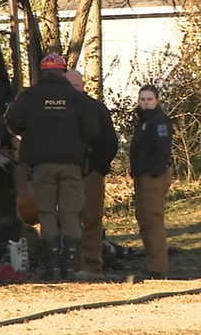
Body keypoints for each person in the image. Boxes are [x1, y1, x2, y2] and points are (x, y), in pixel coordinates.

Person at [5, 53, 100, 280]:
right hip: (71, 166)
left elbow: (13, 121)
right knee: (70, 213)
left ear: (42, 71)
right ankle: (69, 266)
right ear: (63, 72)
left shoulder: (29, 96)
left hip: (41, 166)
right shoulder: (77, 99)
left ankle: (54, 267)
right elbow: (93, 131)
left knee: (47, 213)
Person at [64, 69, 118, 280]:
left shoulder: (97, 109)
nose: (74, 91)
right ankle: (74, 265)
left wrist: (97, 167)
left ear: (83, 85)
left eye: (77, 86)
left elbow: (110, 142)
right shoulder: (61, 110)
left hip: (91, 174)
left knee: (92, 218)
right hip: (68, 173)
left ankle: (93, 266)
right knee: (69, 220)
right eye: (69, 86)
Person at [129, 84, 174, 278]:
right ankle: (152, 261)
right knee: (143, 218)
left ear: (157, 101)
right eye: (142, 100)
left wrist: (154, 171)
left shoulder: (160, 121)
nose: (146, 103)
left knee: (153, 218)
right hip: (141, 175)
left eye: (149, 100)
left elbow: (162, 148)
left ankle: (158, 266)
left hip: (153, 175)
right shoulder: (143, 122)